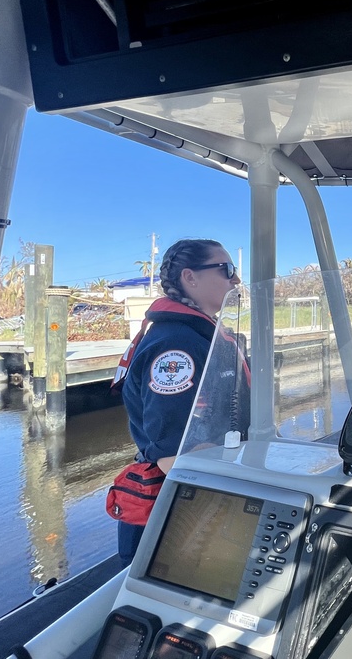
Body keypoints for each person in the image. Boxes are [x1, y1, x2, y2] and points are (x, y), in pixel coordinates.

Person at [111, 238, 241, 566]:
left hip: (196, 502)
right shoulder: (176, 345)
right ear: (190, 277)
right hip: (182, 514)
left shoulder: (196, 335)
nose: (235, 280)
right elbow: (174, 453)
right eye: (226, 270)